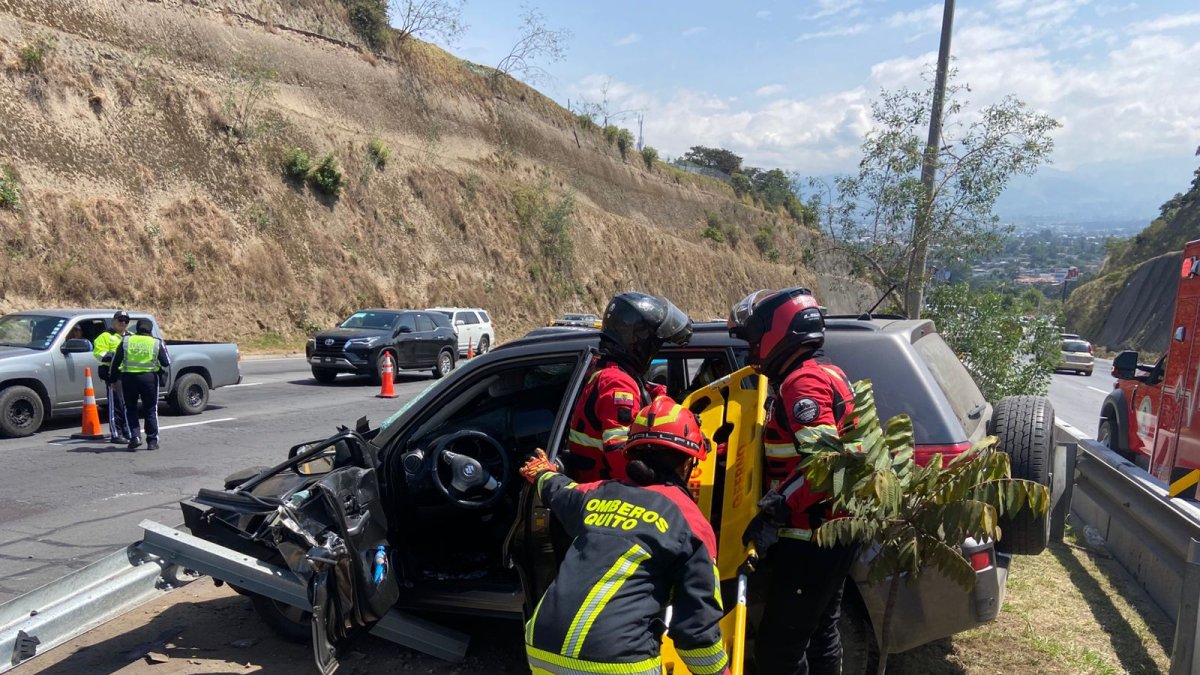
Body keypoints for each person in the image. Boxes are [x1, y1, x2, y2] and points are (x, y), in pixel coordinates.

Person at [520, 396, 730, 675]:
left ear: (632, 454)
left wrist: (544, 473)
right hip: (618, 662)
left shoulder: (597, 493)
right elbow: (696, 631)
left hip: (542, 646)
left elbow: (559, 490)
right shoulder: (691, 523)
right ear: (688, 464)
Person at [728, 288, 858, 675]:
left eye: (753, 339)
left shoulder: (802, 384)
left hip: (812, 536)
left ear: (778, 333)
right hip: (833, 529)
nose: (752, 349)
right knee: (821, 632)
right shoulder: (829, 372)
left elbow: (825, 465)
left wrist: (776, 510)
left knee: (777, 652)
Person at [564, 292, 692, 482]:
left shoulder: (610, 370)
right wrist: (656, 484)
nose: (654, 351)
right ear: (637, 342)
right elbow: (622, 456)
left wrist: (671, 406)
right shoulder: (617, 383)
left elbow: (645, 391)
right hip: (605, 490)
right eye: (653, 345)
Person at [111, 319, 170, 451]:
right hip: (149, 379)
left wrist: (113, 380)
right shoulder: (156, 342)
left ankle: (135, 437)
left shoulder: (126, 340)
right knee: (150, 409)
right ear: (150, 329)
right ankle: (152, 441)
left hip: (129, 379)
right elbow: (166, 362)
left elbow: (115, 362)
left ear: (137, 328)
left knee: (130, 408)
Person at [92, 311, 132, 445]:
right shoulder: (105, 336)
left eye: (126, 321)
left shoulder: (131, 336)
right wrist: (115, 356)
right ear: (113, 321)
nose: (123, 323)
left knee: (128, 405)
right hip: (114, 375)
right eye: (120, 320)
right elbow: (99, 353)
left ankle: (128, 432)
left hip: (129, 375)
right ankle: (116, 433)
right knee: (116, 405)